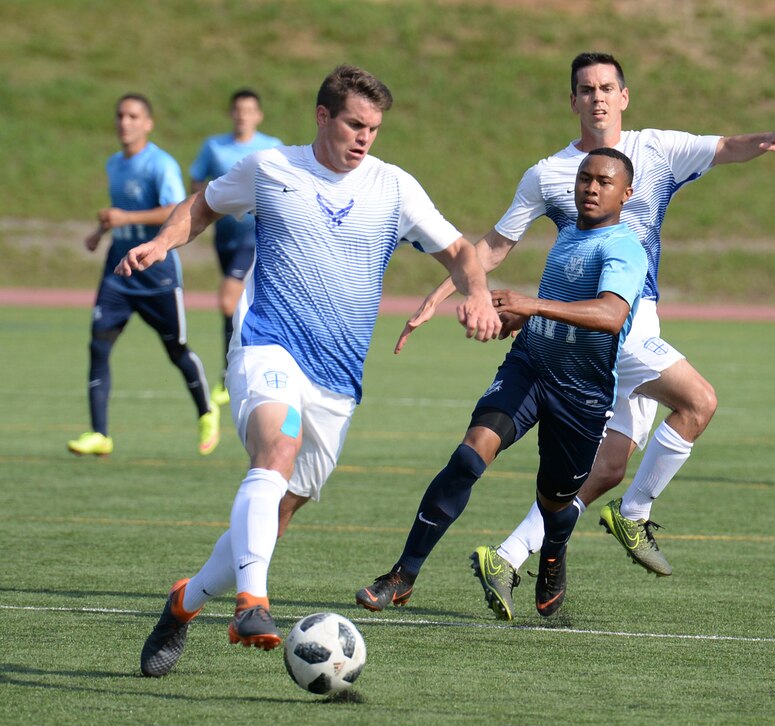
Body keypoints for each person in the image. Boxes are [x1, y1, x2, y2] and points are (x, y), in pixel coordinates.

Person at [122, 65, 501, 678]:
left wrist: (478, 295)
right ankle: (253, 602)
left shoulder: (394, 187)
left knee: (274, 516)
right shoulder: (272, 169)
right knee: (276, 445)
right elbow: (204, 204)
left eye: (374, 128)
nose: (364, 138)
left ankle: (184, 603)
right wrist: (164, 242)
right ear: (322, 116)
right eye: (354, 123)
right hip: (268, 347)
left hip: (338, 380)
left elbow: (459, 250)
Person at [395, 52, 775, 618]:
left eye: (607, 87)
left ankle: (508, 557)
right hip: (604, 329)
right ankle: (634, 517)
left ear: (624, 96)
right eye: (586, 89)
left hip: (637, 321)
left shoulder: (655, 149)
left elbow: (723, 147)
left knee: (606, 469)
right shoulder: (549, 173)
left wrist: (767, 140)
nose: (598, 97)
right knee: (699, 400)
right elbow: (494, 245)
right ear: (573, 101)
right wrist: (443, 294)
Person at [356, 148, 648, 619]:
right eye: (584, 178)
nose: (591, 188)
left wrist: (530, 306)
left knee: (555, 501)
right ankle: (402, 575)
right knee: (468, 457)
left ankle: (553, 553)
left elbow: (612, 316)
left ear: (626, 193)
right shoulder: (571, 234)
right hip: (530, 367)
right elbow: (557, 306)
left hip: (581, 395)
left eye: (604, 182)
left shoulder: (624, 249)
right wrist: (515, 319)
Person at [69, 93, 220, 459]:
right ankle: (99, 433)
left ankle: (206, 411)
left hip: (157, 274)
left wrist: (125, 218)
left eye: (133, 116)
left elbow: (173, 209)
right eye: (120, 115)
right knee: (98, 345)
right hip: (118, 272)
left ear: (148, 123)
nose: (125, 122)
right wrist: (100, 232)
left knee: (176, 350)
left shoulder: (160, 164)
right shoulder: (114, 164)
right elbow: (122, 213)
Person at [190, 89, 283, 406]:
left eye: (250, 110)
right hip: (225, 238)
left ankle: (230, 375)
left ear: (259, 115)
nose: (243, 115)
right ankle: (235, 370)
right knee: (237, 304)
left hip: (254, 236)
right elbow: (196, 182)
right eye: (238, 109)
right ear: (232, 113)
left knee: (228, 300)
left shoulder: (273, 148)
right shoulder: (214, 147)